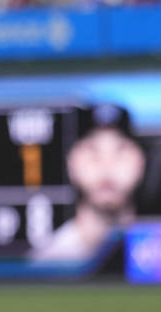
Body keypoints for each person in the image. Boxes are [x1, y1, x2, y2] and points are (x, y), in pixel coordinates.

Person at [31, 104, 145, 262]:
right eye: (92, 151)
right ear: (71, 164)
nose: (107, 166)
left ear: (140, 162)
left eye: (120, 150)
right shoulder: (50, 261)